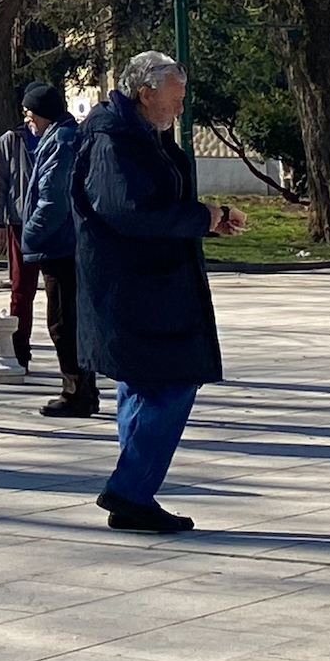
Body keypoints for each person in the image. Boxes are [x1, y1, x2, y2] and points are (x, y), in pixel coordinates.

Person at [74, 49, 245, 533]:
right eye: (177, 96)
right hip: (131, 288)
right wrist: (198, 218)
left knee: (143, 384)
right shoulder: (114, 141)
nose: (181, 106)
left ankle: (134, 496)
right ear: (146, 93)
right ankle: (130, 490)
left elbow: (155, 202)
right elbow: (128, 212)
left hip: (149, 284)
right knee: (171, 382)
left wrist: (207, 219)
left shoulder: (145, 136)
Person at [17, 82, 96, 419]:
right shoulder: (59, 138)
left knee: (63, 322)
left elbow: (53, 200)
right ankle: (81, 389)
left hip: (60, 246)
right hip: (66, 243)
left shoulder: (61, 143)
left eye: (29, 112)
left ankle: (76, 391)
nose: (26, 119)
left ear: (43, 113)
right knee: (68, 320)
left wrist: (30, 235)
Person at [0, 109, 38, 370]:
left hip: (55, 226)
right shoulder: (12, 140)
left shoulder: (62, 137)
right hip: (20, 224)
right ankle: (19, 351)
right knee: (21, 290)